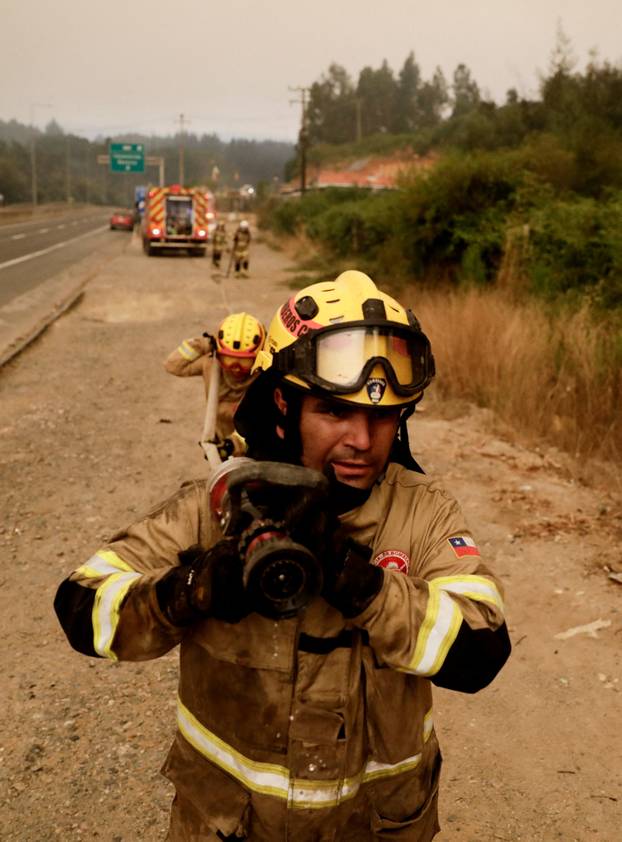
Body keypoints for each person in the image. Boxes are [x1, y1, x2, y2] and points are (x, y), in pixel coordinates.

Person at [54, 270, 511, 841]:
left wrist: (359, 582)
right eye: (334, 412)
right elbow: (81, 604)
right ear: (282, 402)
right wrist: (191, 589)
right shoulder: (212, 509)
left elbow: (482, 651)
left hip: (374, 827)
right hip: (227, 827)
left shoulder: (423, 513)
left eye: (382, 416)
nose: (362, 442)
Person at [164, 311, 265, 454]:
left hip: (253, 444)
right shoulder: (211, 365)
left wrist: (232, 445)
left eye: (244, 361)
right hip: (221, 441)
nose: (236, 368)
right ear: (219, 353)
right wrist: (203, 345)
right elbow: (172, 365)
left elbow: (261, 422)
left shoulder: (264, 374)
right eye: (229, 359)